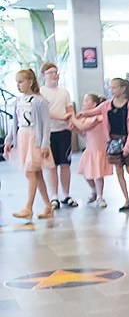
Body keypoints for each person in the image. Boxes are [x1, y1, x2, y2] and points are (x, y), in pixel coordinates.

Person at [76, 77, 129, 213]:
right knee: (119, 171)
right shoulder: (107, 105)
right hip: (114, 141)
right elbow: (94, 111)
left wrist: (128, 146)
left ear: (123, 89)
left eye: (114, 87)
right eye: (110, 87)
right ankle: (127, 200)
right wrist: (82, 114)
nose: (111, 90)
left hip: (128, 140)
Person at [3, 69, 55, 220]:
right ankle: (48, 205)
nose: (18, 85)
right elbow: (15, 122)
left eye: (21, 82)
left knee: (30, 171)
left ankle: (28, 207)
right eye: (17, 82)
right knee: (36, 174)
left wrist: (45, 143)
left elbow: (46, 124)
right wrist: (9, 140)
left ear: (30, 82)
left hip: (34, 138)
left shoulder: (39, 101)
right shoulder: (19, 101)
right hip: (23, 137)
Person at [39, 62, 77, 210]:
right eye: (51, 73)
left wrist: (72, 121)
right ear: (44, 75)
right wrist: (62, 116)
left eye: (56, 72)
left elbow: (70, 109)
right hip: (48, 133)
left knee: (65, 164)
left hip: (64, 132)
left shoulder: (64, 93)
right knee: (51, 166)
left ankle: (66, 195)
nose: (54, 75)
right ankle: (53, 196)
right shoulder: (41, 92)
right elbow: (44, 113)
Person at [72, 93, 113, 208]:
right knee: (86, 174)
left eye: (86, 101)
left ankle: (100, 196)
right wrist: (75, 129)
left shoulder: (98, 118)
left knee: (98, 175)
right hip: (89, 150)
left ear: (94, 104)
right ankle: (94, 190)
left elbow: (84, 126)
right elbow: (84, 133)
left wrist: (72, 118)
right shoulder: (85, 119)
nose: (83, 103)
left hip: (98, 150)